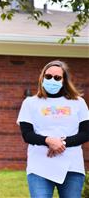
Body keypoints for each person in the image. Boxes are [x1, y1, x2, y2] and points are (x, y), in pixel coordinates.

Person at [17, 60, 89, 198]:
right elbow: (27, 134)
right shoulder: (30, 102)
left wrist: (62, 143)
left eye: (57, 78)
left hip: (72, 166)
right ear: (42, 77)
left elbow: (86, 133)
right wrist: (48, 140)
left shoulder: (78, 102)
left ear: (64, 80)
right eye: (48, 76)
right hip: (39, 167)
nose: (52, 80)